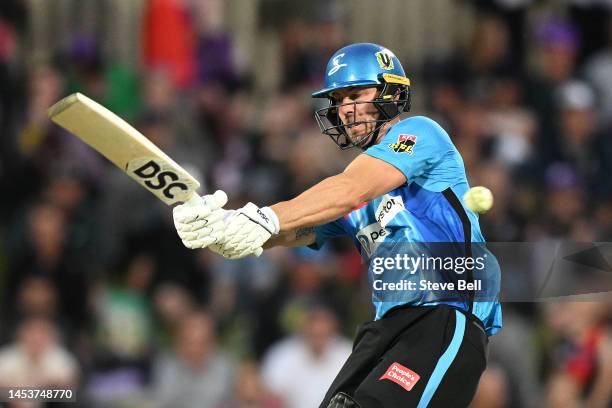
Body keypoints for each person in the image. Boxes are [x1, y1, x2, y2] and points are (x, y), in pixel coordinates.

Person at [172, 43, 502, 407]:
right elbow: (293, 230)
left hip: (443, 317)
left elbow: (348, 189)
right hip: (385, 329)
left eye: (356, 95)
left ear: (391, 92)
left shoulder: (421, 134)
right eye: (339, 100)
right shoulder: (352, 196)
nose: (345, 109)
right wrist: (224, 228)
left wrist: (264, 217)